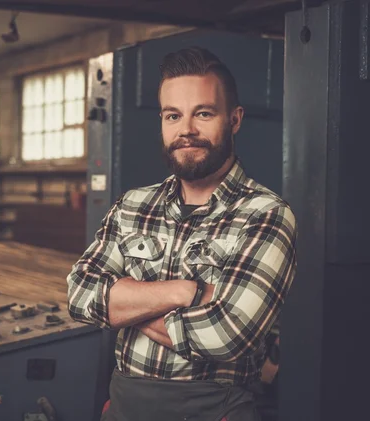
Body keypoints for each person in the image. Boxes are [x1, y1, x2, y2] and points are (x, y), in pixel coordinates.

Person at [66, 47, 297, 421]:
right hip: (125, 405)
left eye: (203, 113)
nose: (186, 129)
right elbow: (79, 294)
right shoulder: (133, 205)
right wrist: (184, 292)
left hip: (215, 408)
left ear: (234, 119)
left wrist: (125, 307)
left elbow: (226, 335)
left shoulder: (265, 215)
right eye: (173, 115)